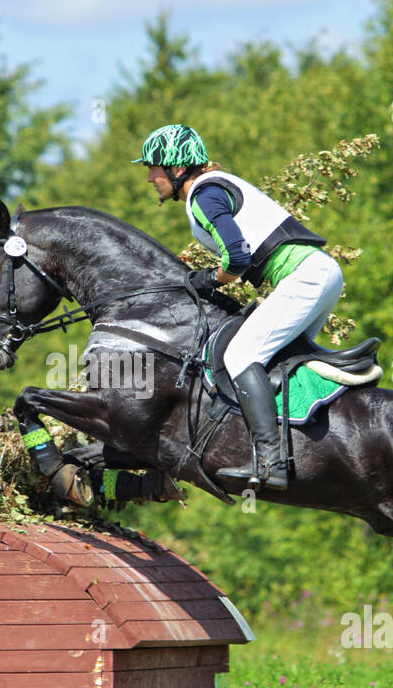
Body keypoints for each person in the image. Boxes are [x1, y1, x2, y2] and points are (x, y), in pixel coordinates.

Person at [132, 123, 343, 492]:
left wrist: (211, 278)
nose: (150, 177)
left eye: (153, 167)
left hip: (305, 276)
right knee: (275, 359)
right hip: (319, 272)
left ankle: (271, 460)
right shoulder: (214, 186)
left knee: (241, 355)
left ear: (177, 169)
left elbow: (238, 256)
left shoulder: (203, 195)